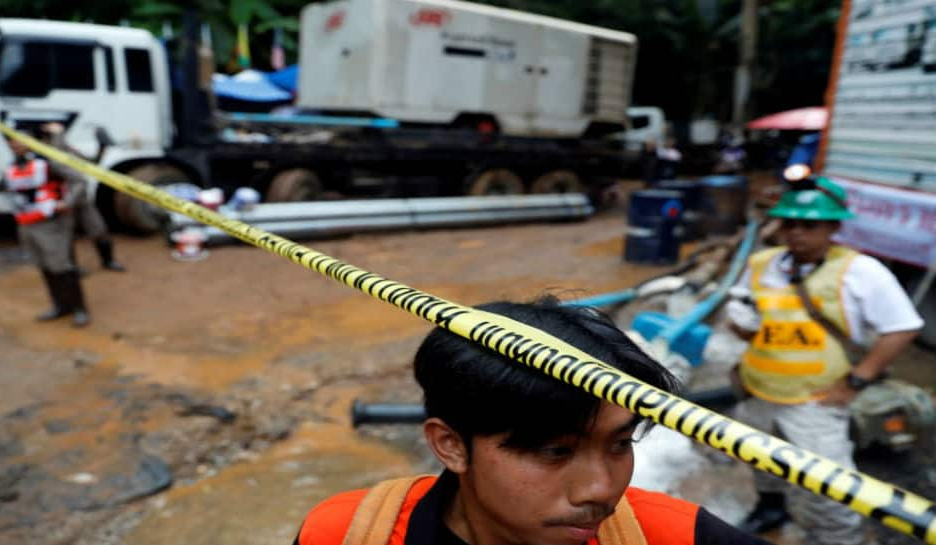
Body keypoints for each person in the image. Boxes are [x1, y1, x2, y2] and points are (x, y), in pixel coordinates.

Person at [295, 296, 772, 545]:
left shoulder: (676, 536)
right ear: (451, 445)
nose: (601, 490)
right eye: (554, 451)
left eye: (620, 445)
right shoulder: (347, 534)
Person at [731, 174, 923, 544]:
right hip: (759, 389)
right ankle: (771, 506)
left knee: (830, 486)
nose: (796, 233)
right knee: (759, 457)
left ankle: (841, 537)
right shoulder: (762, 264)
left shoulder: (861, 271)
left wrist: (857, 380)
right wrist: (740, 324)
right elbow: (747, 318)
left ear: (833, 227)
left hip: (816, 402)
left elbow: (902, 327)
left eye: (809, 225)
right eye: (789, 223)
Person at [0, 132, 92, 327]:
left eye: (19, 140)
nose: (15, 144)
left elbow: (79, 180)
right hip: (25, 224)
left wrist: (67, 202)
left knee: (61, 267)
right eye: (12, 141)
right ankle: (60, 306)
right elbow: (2, 188)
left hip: (51, 225)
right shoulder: (12, 167)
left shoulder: (46, 163)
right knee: (44, 266)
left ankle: (79, 309)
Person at [39, 123, 125, 272]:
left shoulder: (67, 149)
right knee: (66, 236)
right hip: (63, 200)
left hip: (81, 199)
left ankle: (108, 261)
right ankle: (70, 267)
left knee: (99, 229)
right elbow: (60, 167)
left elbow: (92, 163)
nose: (61, 135)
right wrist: (67, 202)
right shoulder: (45, 152)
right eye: (57, 133)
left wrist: (102, 146)